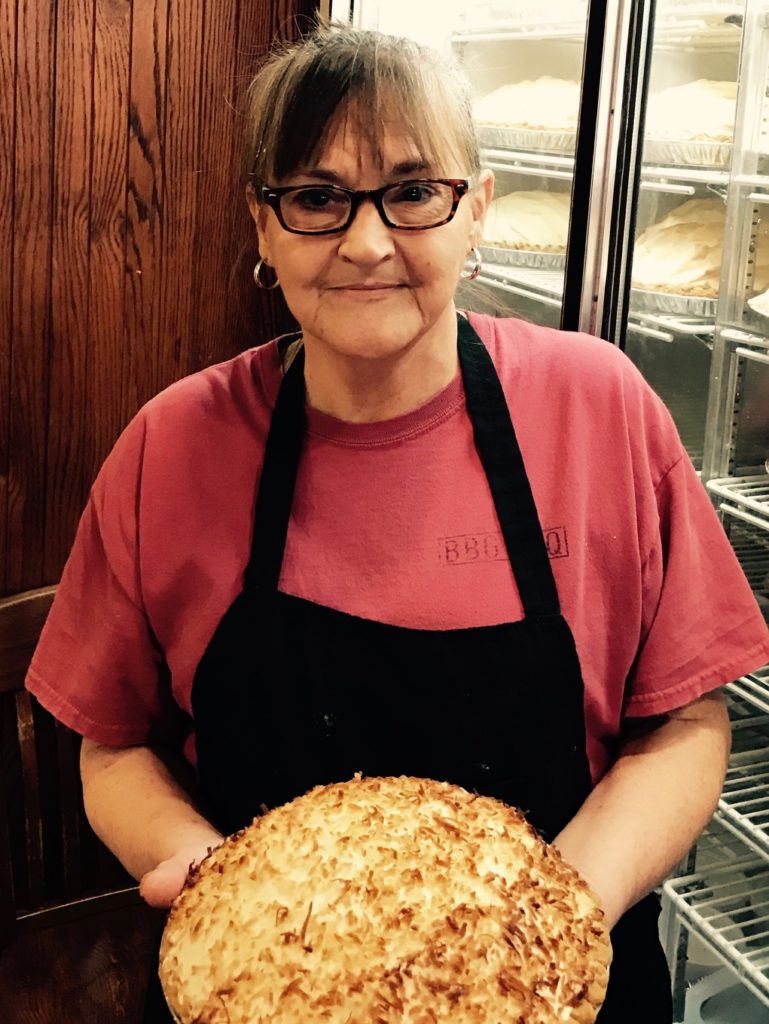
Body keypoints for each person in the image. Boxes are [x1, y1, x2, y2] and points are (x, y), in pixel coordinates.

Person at [25, 22, 769, 1024]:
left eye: (414, 191)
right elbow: (112, 747)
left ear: (478, 213)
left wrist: (542, 922)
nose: (365, 242)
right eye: (317, 197)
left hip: (554, 987)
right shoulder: (172, 446)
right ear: (262, 224)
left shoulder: (598, 411)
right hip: (268, 987)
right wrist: (217, 888)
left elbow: (682, 723)